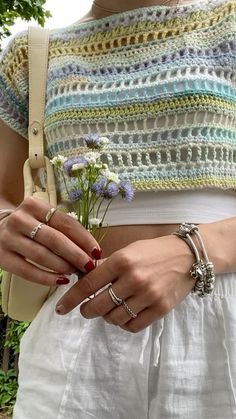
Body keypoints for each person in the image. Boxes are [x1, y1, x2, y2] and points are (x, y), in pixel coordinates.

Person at [0, 0, 236, 417]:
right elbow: (4, 196)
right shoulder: (32, 55)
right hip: (78, 322)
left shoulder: (228, 24)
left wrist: (192, 252)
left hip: (221, 317)